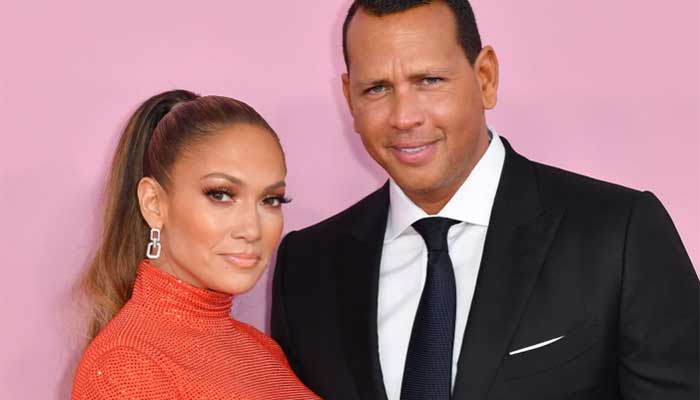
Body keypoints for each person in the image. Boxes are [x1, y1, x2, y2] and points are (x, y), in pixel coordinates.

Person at [270, 1, 699, 399]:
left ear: (485, 78)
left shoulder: (618, 234)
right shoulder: (306, 266)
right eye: (377, 89)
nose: (404, 117)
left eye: (429, 80)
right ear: (349, 97)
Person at [72, 90, 319, 399]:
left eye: (271, 200)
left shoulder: (260, 348)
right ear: (154, 203)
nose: (252, 229)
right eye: (221, 194)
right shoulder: (126, 366)